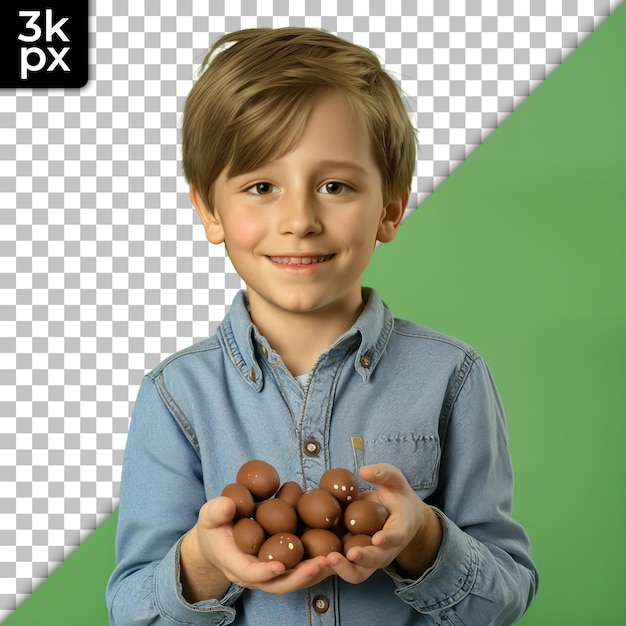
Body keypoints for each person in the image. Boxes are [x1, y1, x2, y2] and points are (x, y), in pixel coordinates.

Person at [106, 27, 538, 625]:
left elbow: (505, 597)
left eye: (335, 186)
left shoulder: (451, 378)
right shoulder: (177, 396)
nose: (300, 219)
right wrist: (207, 558)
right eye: (261, 186)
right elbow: (131, 613)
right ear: (210, 211)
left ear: (389, 207)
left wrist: (420, 541)